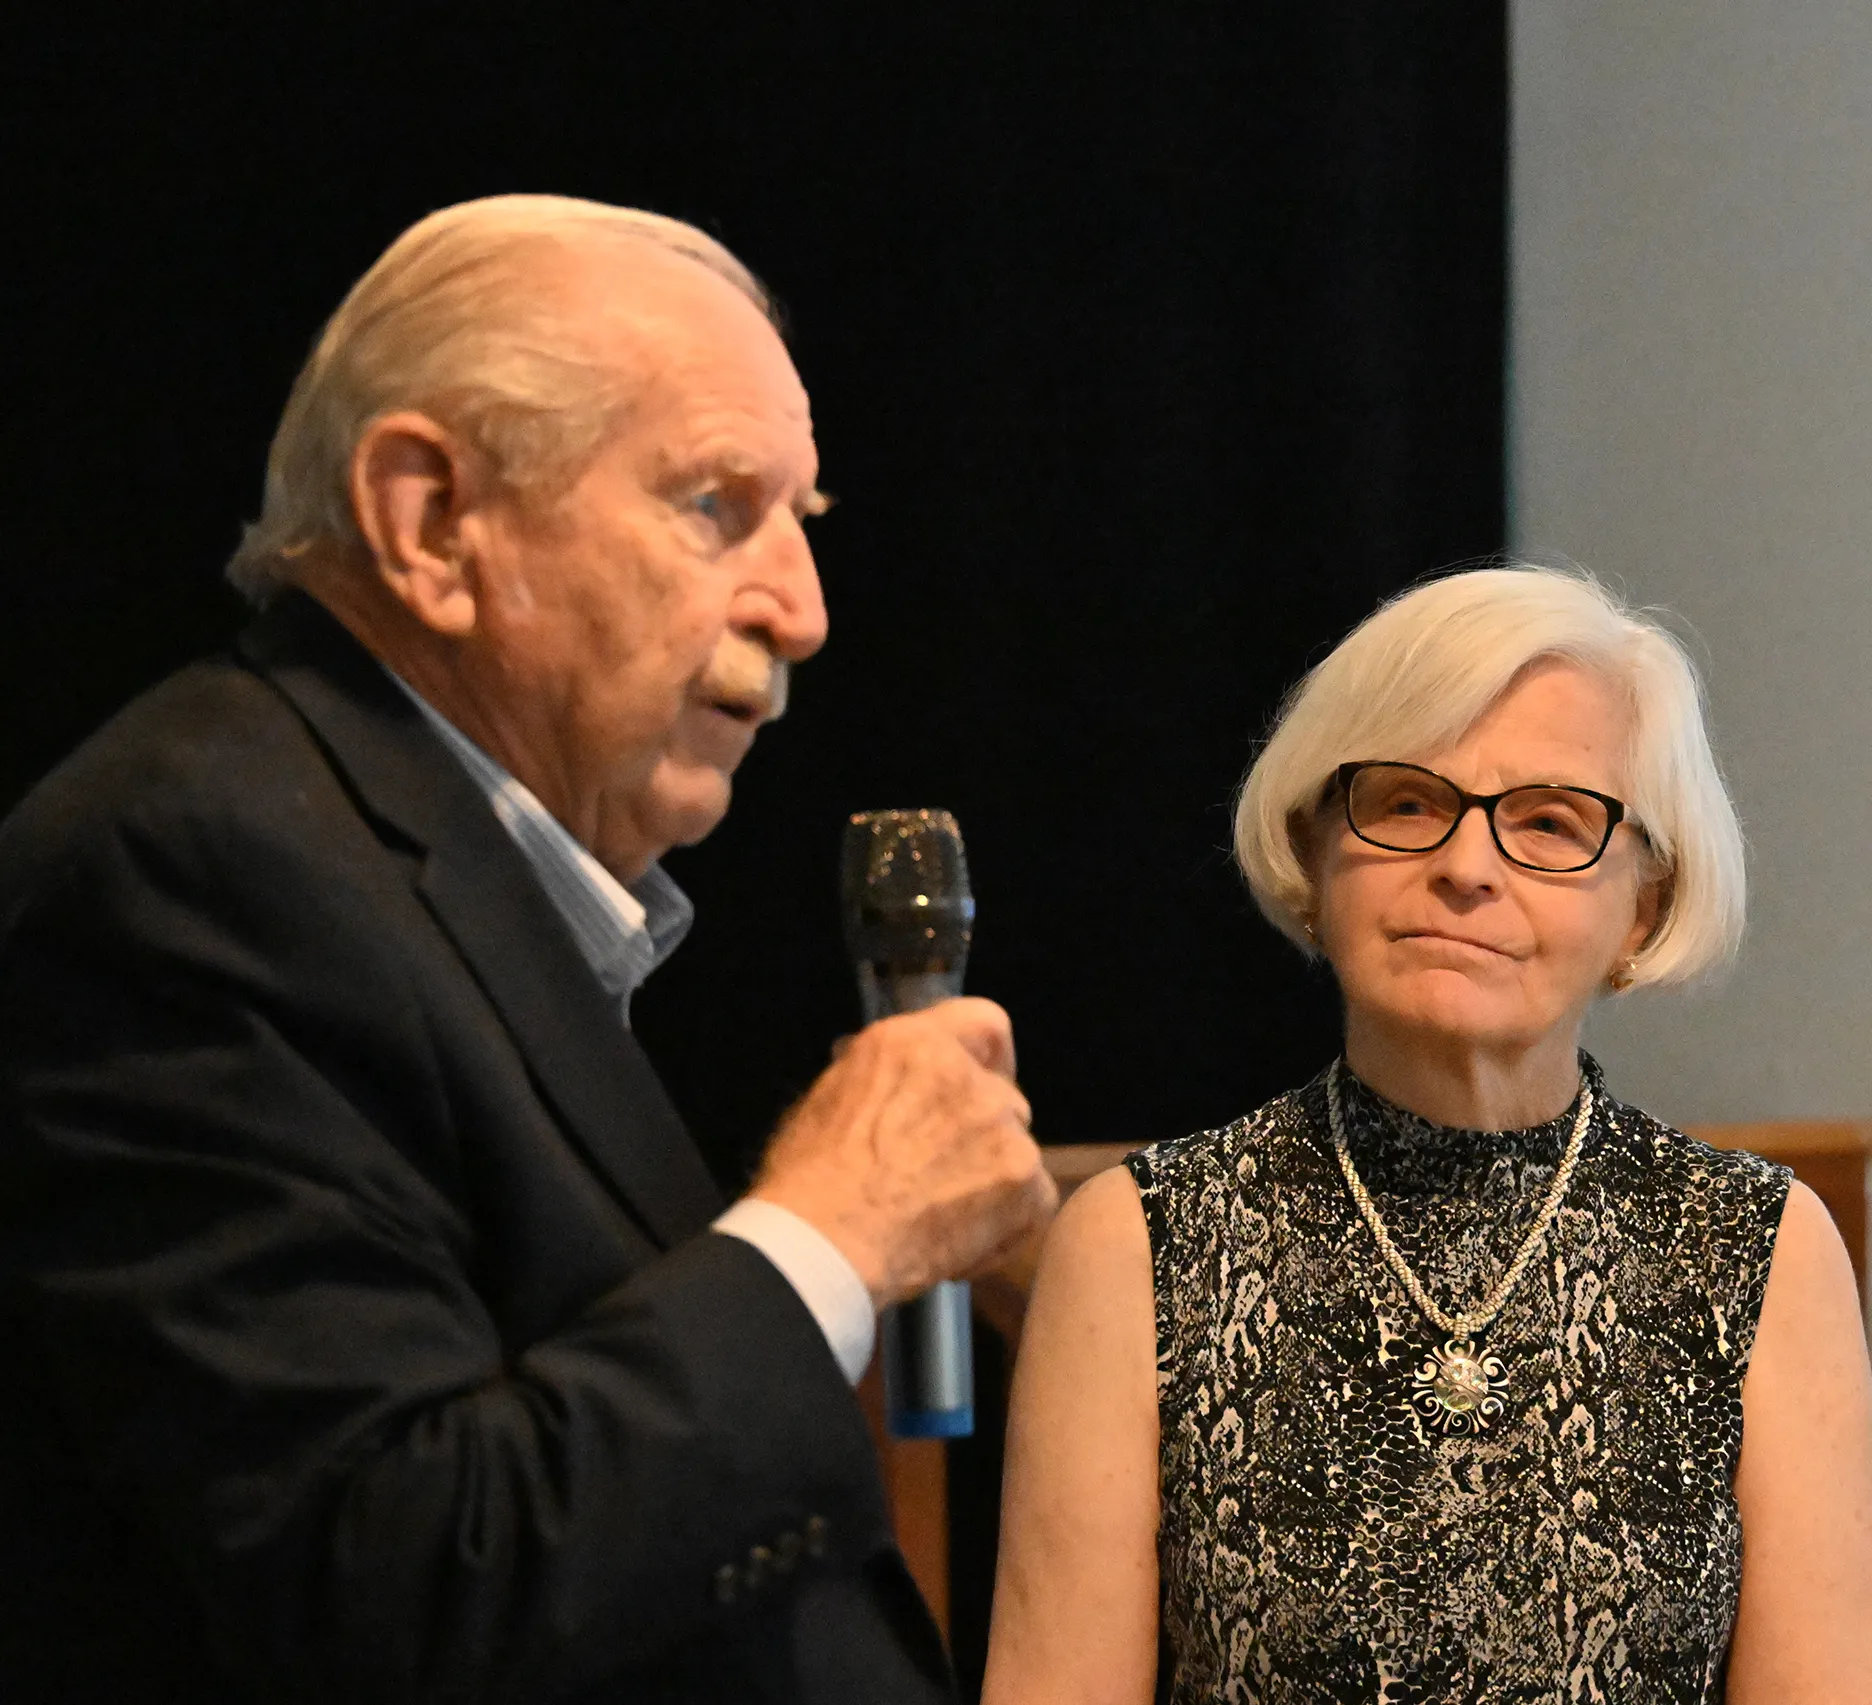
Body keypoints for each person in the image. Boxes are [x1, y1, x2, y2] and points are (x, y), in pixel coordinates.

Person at [0, 195, 1056, 1704]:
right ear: (432, 523)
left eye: (802, 521)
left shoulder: (411, 870)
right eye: (715, 504)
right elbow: (395, 1576)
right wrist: (832, 1230)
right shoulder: (190, 872)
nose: (804, 611)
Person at [983, 566, 1872, 1703]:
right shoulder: (1136, 1245)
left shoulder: (1758, 1250)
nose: (1463, 867)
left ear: (1641, 911)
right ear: (1315, 852)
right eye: (1406, 803)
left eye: (1548, 822)